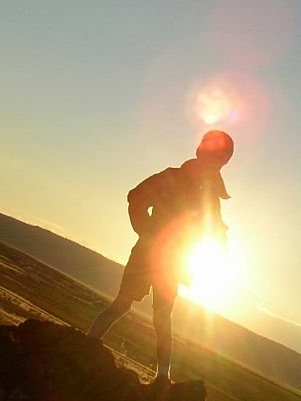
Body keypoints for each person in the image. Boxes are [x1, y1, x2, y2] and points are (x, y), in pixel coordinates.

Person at [88, 130, 235, 382]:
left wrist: (216, 252)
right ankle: (89, 344)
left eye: (220, 158)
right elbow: (136, 196)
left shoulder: (205, 191)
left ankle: (161, 376)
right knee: (131, 306)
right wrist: (146, 232)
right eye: (217, 156)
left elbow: (215, 228)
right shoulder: (180, 180)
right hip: (157, 255)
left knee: (157, 315)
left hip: (171, 259)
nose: (216, 162)